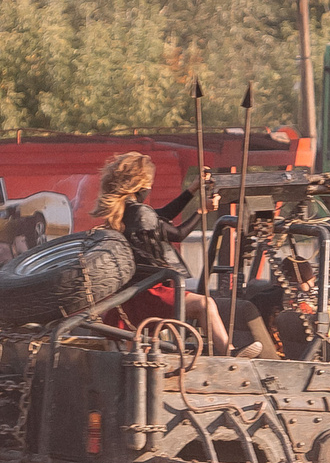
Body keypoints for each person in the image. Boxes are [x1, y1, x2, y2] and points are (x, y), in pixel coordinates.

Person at [92, 151, 232, 354]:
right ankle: (231, 355)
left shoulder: (126, 211)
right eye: (149, 183)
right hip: (150, 291)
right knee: (205, 304)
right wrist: (202, 211)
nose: (150, 187)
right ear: (138, 184)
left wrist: (192, 190)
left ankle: (229, 352)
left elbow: (162, 216)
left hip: (135, 293)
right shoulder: (139, 212)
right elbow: (178, 234)